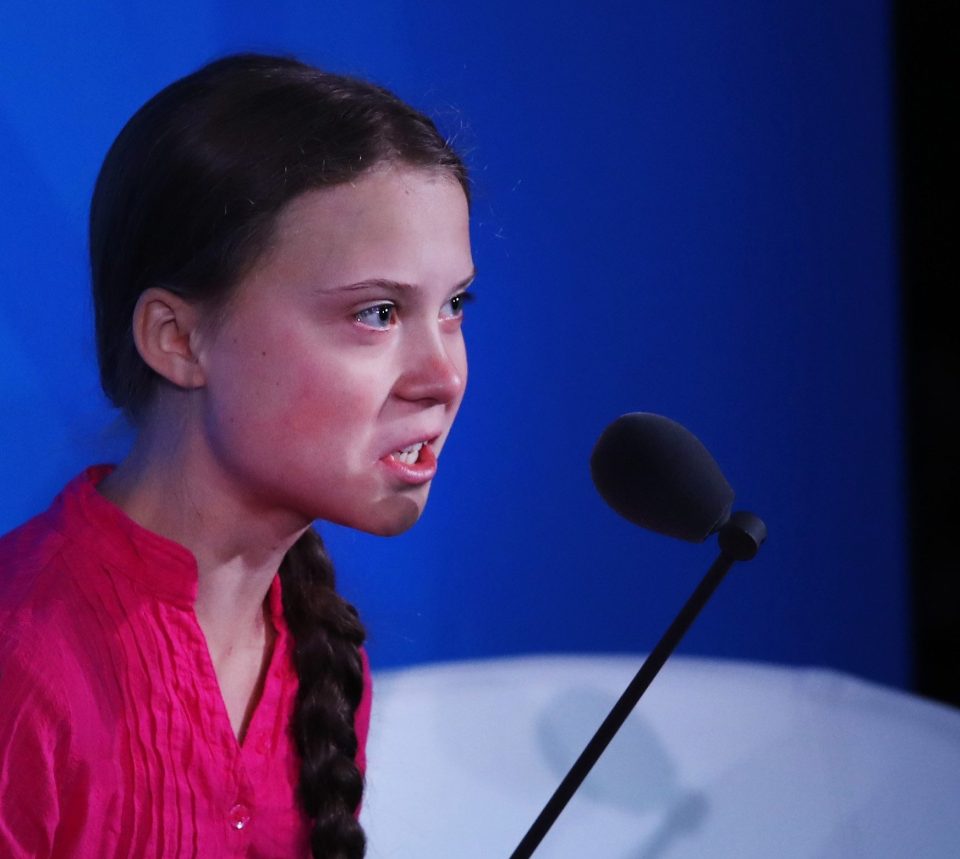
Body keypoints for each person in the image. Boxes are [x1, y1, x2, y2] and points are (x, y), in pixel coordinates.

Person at [0, 53, 474, 859]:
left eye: (455, 306)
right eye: (378, 312)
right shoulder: (22, 666)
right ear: (178, 340)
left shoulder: (319, 655)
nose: (443, 376)